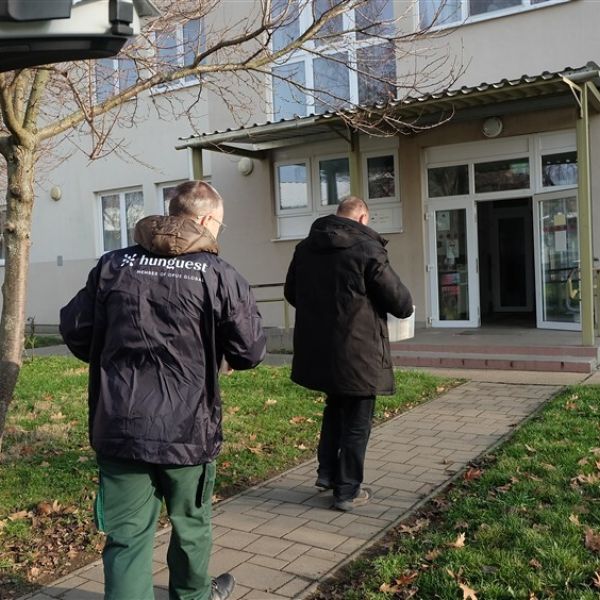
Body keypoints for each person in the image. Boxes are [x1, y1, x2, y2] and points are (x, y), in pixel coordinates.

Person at [60, 180, 266, 600]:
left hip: (121, 421)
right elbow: (250, 350)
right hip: (187, 428)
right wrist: (220, 354)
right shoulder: (219, 274)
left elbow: (76, 330)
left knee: (126, 536)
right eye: (219, 225)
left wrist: (112, 357)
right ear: (205, 220)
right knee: (190, 525)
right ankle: (194, 595)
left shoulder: (113, 265)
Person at [284, 196, 413, 512]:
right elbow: (399, 301)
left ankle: (327, 473)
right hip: (359, 351)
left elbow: (291, 293)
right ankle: (347, 490)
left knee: (335, 407)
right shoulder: (368, 249)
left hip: (322, 348)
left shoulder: (306, 248)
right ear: (363, 217)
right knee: (357, 419)